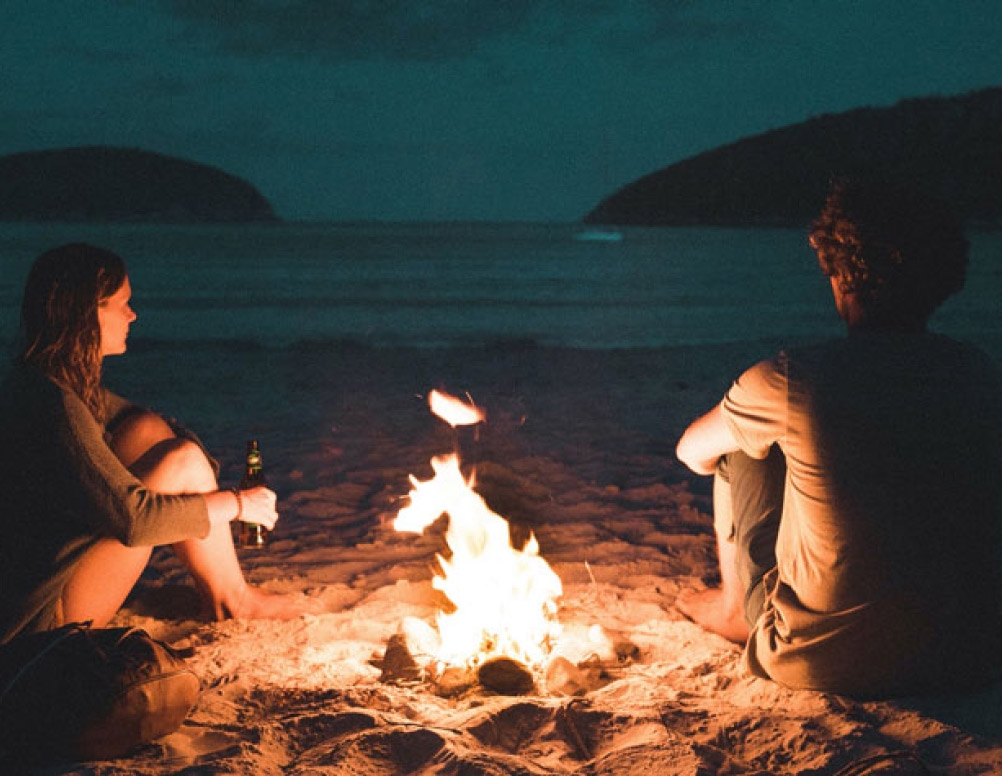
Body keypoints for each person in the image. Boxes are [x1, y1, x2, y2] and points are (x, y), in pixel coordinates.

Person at [675, 179, 1002, 697]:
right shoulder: (978, 372)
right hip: (961, 654)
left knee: (738, 446)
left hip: (820, 660)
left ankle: (734, 609)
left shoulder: (793, 378)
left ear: (839, 277)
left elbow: (691, 452)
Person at [0, 243, 314, 645]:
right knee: (181, 461)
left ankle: (227, 593)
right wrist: (238, 505)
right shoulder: (54, 405)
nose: (133, 315)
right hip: (41, 621)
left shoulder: (43, 382)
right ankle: (234, 600)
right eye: (122, 304)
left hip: (47, 576)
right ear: (87, 314)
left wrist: (202, 478)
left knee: (147, 430)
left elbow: (156, 429)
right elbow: (136, 521)